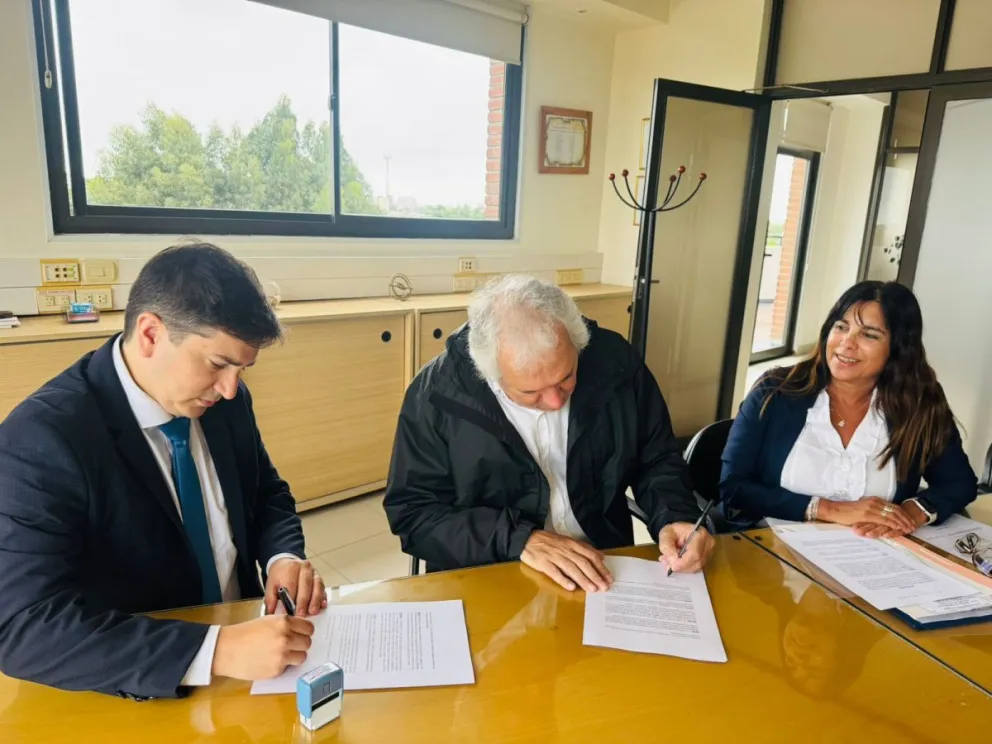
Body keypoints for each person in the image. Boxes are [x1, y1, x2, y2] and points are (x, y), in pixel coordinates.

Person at [0, 242, 326, 699]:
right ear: (151, 334)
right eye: (218, 364)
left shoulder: (225, 403)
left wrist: (282, 558)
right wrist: (214, 651)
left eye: (242, 369)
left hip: (252, 656)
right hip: (140, 682)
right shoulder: (42, 439)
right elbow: (23, 627)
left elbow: (265, 491)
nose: (230, 390)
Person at [384, 275, 714, 591]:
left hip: (601, 563)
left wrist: (675, 515)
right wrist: (519, 540)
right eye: (530, 392)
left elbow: (655, 458)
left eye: (566, 377)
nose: (556, 402)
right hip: (492, 567)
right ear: (490, 374)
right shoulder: (438, 396)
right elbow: (415, 513)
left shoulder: (616, 363)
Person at [720, 280, 977, 534]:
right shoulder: (775, 391)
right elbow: (733, 487)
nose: (847, 343)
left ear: (898, 349)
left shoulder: (918, 402)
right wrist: (829, 509)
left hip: (874, 551)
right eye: (841, 327)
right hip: (772, 547)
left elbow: (958, 483)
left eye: (869, 335)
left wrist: (913, 512)